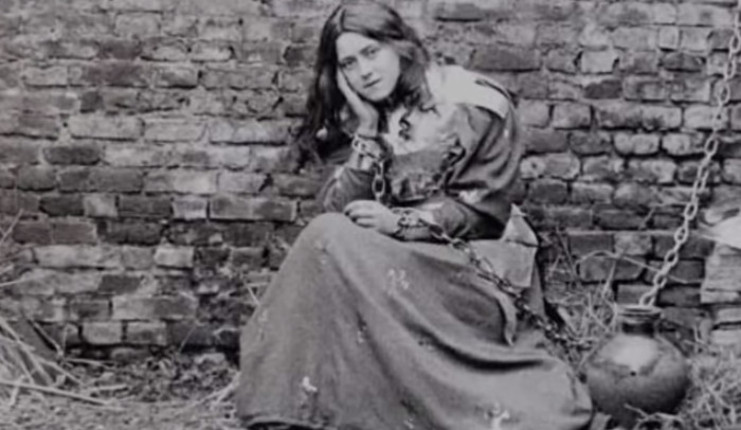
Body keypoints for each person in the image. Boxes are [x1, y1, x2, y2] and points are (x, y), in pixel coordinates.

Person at [236, 2, 594, 429]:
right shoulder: (358, 113)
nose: (364, 72)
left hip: (474, 262)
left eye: (372, 53)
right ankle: (290, 406)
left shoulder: (474, 103)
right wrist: (368, 130)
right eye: (349, 64)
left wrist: (400, 223)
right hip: (392, 262)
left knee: (327, 236)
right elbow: (336, 211)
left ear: (400, 44)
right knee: (325, 236)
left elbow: (484, 213)